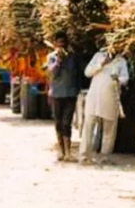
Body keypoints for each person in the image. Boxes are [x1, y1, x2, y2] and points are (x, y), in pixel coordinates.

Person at [78, 42, 129, 165]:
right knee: (89, 126)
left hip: (111, 98)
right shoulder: (98, 56)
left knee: (109, 129)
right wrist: (101, 64)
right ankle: (85, 156)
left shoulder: (121, 61)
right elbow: (87, 72)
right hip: (94, 97)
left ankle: (105, 156)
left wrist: (119, 79)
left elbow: (125, 78)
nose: (116, 48)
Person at [45, 31, 79, 162]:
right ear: (55, 44)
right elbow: (51, 73)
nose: (61, 46)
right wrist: (58, 61)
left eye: (63, 43)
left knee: (67, 123)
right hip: (56, 94)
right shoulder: (51, 57)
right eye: (59, 43)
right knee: (58, 123)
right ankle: (61, 150)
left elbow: (76, 75)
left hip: (70, 94)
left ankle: (68, 152)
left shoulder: (73, 57)